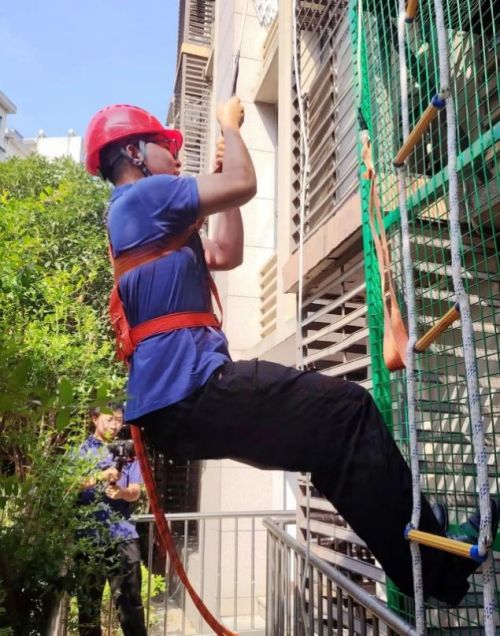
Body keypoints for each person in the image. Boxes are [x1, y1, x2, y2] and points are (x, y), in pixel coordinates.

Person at [84, 98, 497, 607]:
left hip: (179, 410)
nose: (175, 156)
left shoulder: (146, 218)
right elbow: (244, 181)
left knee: (328, 445)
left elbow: (226, 253)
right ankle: (436, 566)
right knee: (349, 409)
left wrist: (223, 185)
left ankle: (434, 572)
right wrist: (230, 128)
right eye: (164, 147)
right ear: (133, 152)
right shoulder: (143, 196)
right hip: (194, 391)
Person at [76, 403, 146, 636]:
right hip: (89, 538)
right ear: (94, 419)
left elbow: (135, 491)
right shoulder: (82, 450)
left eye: (119, 420)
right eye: (109, 419)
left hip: (123, 536)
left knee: (131, 603)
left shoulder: (128, 451)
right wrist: (99, 476)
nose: (115, 425)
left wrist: (122, 493)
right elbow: (69, 485)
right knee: (88, 605)